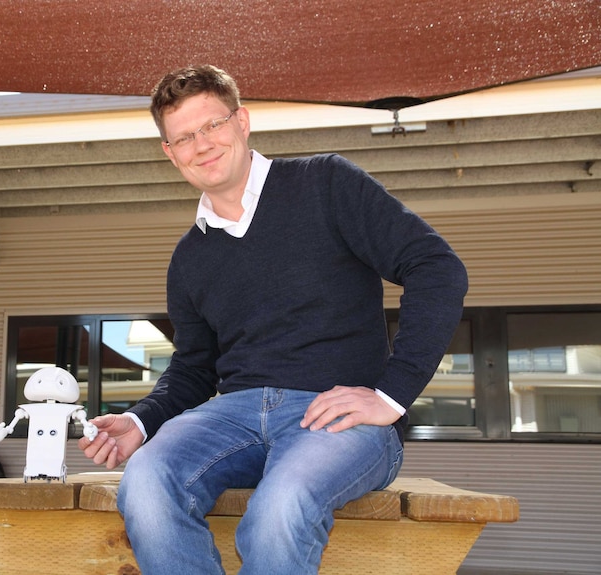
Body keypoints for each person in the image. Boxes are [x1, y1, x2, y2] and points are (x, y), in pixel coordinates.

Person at [79, 64, 468, 574]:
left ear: (241, 121)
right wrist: (140, 420)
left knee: (279, 507)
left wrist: (390, 396)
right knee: (147, 480)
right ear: (170, 154)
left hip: (335, 420)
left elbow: (437, 268)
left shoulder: (326, 184)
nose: (202, 144)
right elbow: (196, 368)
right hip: (232, 417)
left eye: (212, 125)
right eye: (184, 137)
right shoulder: (189, 258)